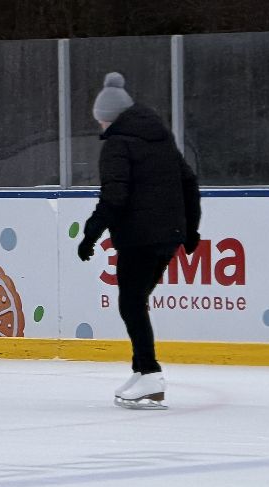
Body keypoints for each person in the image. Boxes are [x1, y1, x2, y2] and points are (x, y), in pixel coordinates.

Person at [77, 73, 201, 410]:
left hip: (139, 237)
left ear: (109, 116)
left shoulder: (117, 145)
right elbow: (189, 182)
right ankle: (140, 370)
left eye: (100, 118)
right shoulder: (161, 139)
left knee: (131, 302)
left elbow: (114, 197)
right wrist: (190, 231)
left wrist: (90, 234)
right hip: (167, 236)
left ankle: (150, 373)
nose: (99, 123)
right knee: (135, 300)